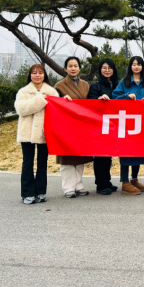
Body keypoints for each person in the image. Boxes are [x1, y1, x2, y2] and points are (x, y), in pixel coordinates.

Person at [14, 64, 59, 205]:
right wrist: (40, 99)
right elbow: (21, 109)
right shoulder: (23, 92)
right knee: (27, 162)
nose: (37, 75)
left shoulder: (52, 92)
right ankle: (27, 193)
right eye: (34, 73)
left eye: (40, 73)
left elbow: (57, 110)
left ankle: (41, 192)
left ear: (44, 75)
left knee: (42, 162)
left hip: (44, 133)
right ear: (30, 75)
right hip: (27, 132)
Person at [54, 57, 92, 198]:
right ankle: (68, 187)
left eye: (76, 66)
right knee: (67, 159)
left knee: (80, 158)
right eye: (70, 66)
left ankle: (78, 185)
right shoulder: (59, 85)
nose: (73, 68)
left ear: (79, 68)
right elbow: (54, 104)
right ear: (65, 69)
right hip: (66, 126)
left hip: (81, 126)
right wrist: (62, 101)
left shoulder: (85, 85)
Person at [112, 56, 144, 195]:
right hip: (126, 123)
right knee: (125, 151)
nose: (136, 67)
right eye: (134, 64)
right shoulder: (124, 82)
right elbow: (115, 96)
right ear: (130, 67)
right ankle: (124, 181)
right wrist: (127, 95)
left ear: (142, 66)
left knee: (138, 150)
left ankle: (134, 179)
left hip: (141, 122)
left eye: (139, 64)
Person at [87, 58, 119, 195]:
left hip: (113, 125)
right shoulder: (96, 85)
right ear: (100, 70)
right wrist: (99, 100)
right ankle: (100, 184)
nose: (107, 70)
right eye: (104, 68)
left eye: (109, 68)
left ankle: (107, 181)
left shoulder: (117, 85)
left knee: (108, 155)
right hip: (99, 125)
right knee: (100, 155)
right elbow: (90, 103)